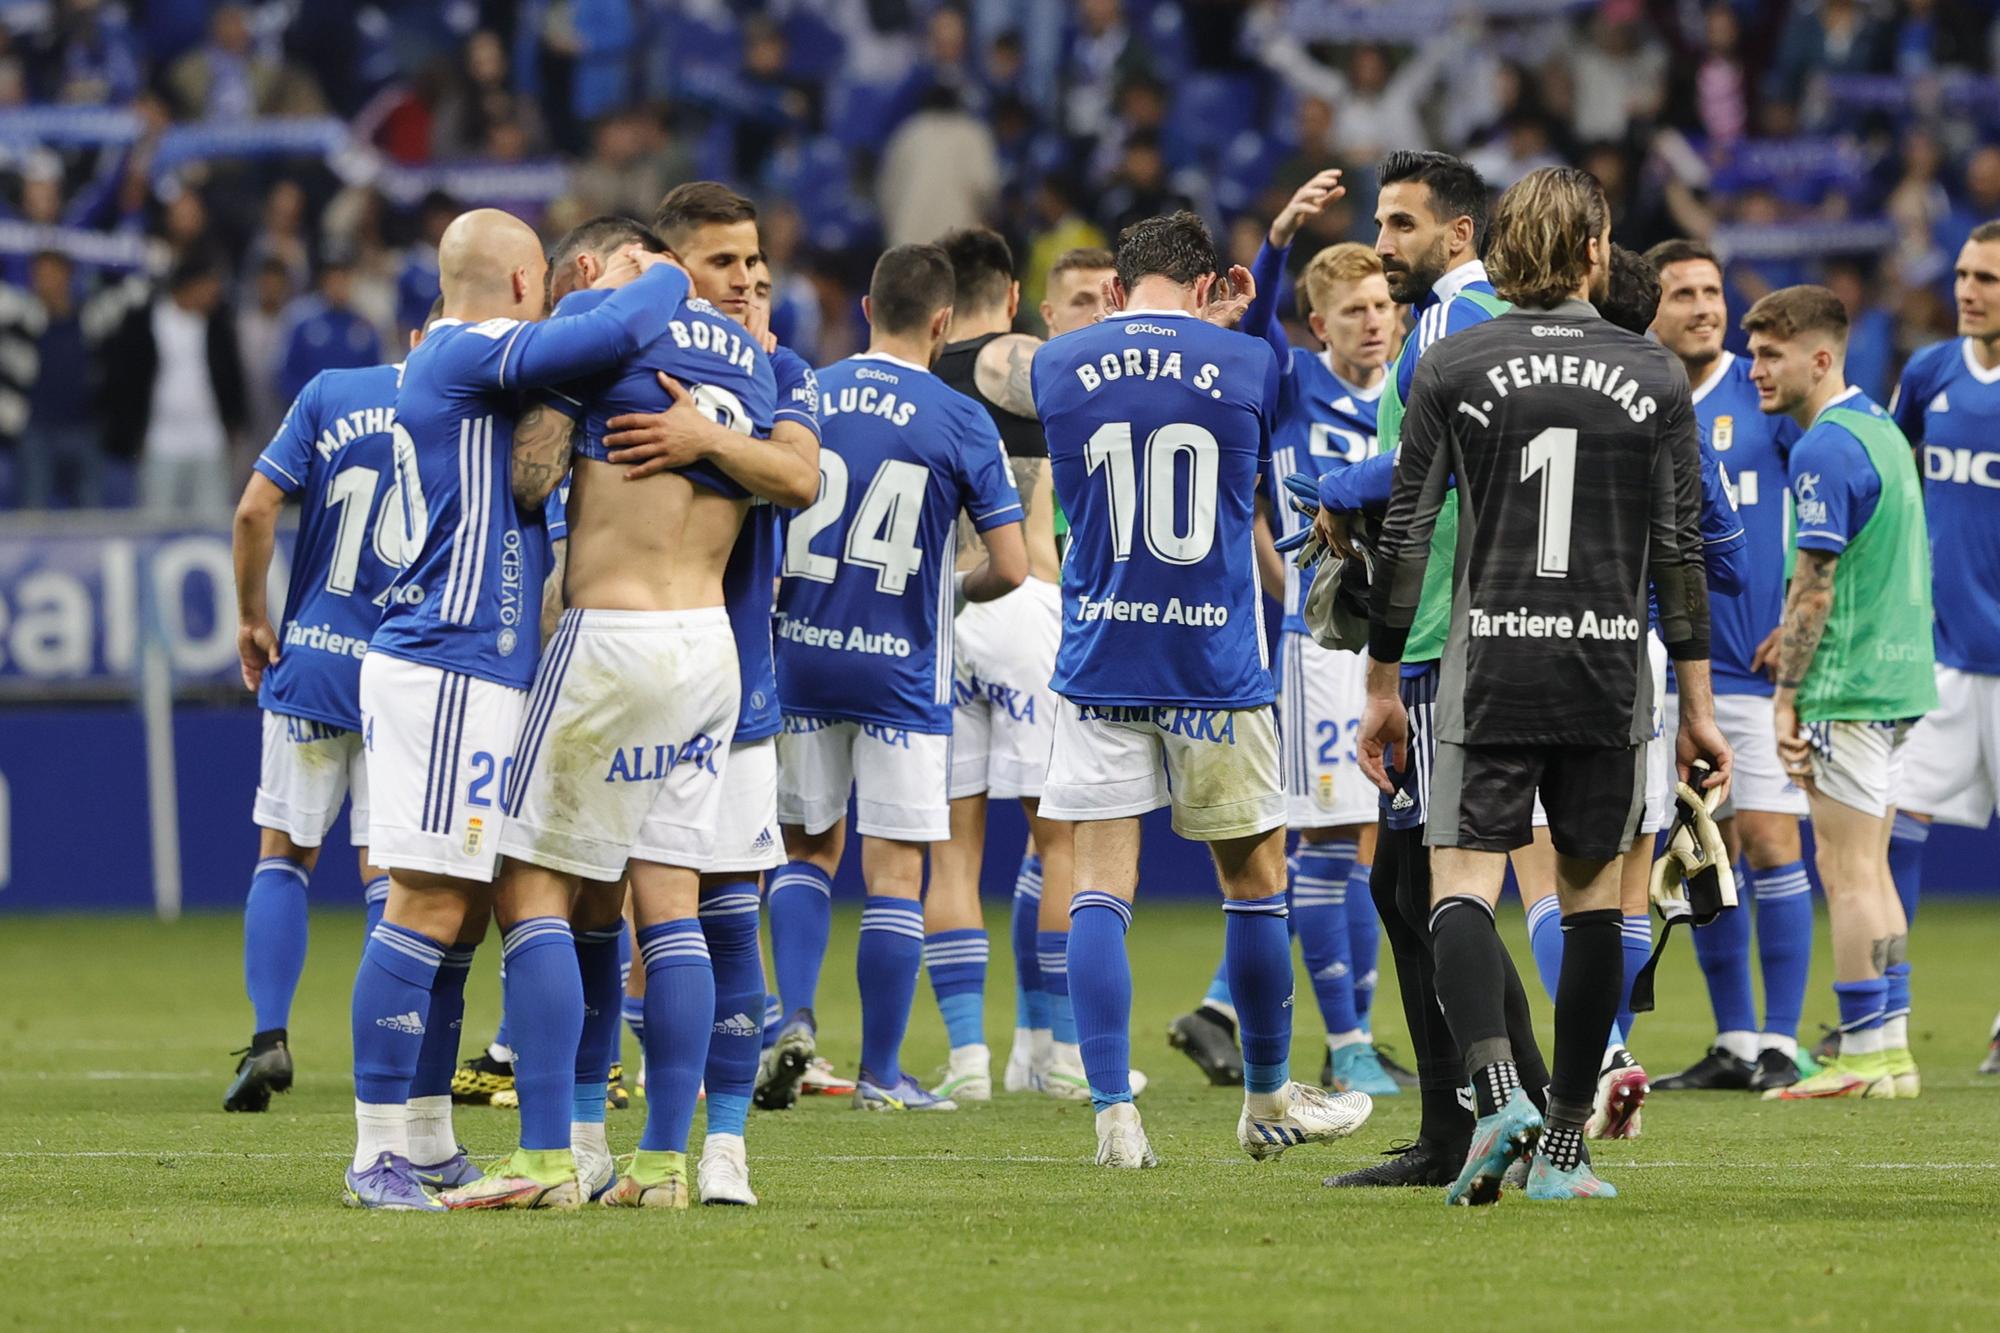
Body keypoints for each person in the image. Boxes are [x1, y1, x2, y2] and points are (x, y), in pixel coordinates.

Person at [1354, 166, 1730, 1202]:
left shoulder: (1451, 362)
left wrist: (1381, 680)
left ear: (1501, 249)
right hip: (1606, 668)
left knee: (1460, 886)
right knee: (1590, 905)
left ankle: (1494, 1092)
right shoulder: (1652, 372)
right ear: (1594, 254)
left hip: (1487, 664)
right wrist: (1695, 704)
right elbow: (1678, 550)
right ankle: (1561, 1153)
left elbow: (1403, 530)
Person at [343, 207, 685, 1211]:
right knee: (426, 903)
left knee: (459, 921)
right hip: (448, 664)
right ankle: (374, 1152)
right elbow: (619, 331)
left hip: (466, 668)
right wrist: (655, 272)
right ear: (528, 283)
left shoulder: (453, 365)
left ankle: (430, 1139)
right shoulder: (470, 347)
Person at [439, 212, 779, 1212]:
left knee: (526, 884)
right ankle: (661, 1164)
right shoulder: (751, 362)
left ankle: (545, 1157)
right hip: (708, 648)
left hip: (612, 636)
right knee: (662, 896)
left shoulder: (600, 321)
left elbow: (529, 473)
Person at [1034, 210, 1373, 1169]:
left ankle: (1113, 1117)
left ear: (1113, 288)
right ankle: (1268, 1100)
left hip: (1100, 654)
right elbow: (1257, 401)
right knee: (1256, 883)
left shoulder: (1061, 364)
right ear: (1203, 285)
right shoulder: (1249, 365)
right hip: (1215, 662)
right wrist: (1230, 323)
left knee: (1100, 885)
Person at [1308, 151, 1546, 1191]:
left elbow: (1418, 472)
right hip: (1452, 620)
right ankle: (1470, 1118)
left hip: (1451, 629)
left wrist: (1331, 483)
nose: (1384, 241)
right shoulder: (1468, 320)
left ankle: (1514, 1110)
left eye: (1399, 225)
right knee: (1403, 881)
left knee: (1433, 882)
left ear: (1457, 235)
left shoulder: (1454, 323)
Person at [585, 185, 825, 1202]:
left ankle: (717, 1144)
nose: (745, 284)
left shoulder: (782, 371)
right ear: (667, 265)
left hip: (733, 689)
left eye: (757, 268)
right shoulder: (615, 353)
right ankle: (588, 1133)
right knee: (597, 914)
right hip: (613, 667)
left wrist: (703, 439)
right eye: (725, 264)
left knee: (726, 915)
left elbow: (799, 478)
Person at [769, 243, 1027, 1113]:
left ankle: (793, 1022)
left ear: (868, 309)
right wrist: (949, 590)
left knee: (805, 848)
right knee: (894, 872)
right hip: (901, 666)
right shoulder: (960, 418)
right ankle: (881, 1072)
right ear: (944, 322)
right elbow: (1014, 567)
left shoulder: (807, 391)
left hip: (799, 651)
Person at [1503, 245, 1749, 1143]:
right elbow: (1724, 556)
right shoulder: (1663, 399)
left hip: (1522, 638)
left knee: (1537, 873)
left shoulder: (1509, 375)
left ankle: (1600, 1059)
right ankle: (1608, 1071)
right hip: (1636, 654)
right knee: (1621, 883)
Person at [1170, 171, 1402, 1097]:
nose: (1373, 322)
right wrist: (1274, 241)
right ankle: (1344, 1041)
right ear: (1317, 327)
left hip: (1399, 634)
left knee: (1378, 839)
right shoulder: (1291, 381)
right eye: (1351, 311)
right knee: (1332, 839)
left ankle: (1351, 1029)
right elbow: (1256, 319)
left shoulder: (1412, 385)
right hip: (1321, 652)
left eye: (1382, 304)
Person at [1747, 285, 1937, 1101]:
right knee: (1877, 872)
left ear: (1820, 358)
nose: (1755, 369)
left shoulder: (1823, 448)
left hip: (1847, 684)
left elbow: (1817, 587)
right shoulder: (1881, 431)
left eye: (1769, 354)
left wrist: (1788, 693)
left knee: (1849, 870)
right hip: (1897, 678)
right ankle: (1890, 1047)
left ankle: (1859, 1049)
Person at [1644, 238, 1813, 1095]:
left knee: (1773, 839)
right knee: (1700, 849)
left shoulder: (1765, 391)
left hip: (1754, 658)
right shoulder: (1642, 393)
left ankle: (1784, 1040)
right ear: (1654, 305)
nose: (1705, 307)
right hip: (1668, 667)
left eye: (1712, 292)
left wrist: (1798, 618)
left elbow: (1825, 506)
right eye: (1684, 294)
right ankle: (1736, 1041)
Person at [224, 347, 408, 1113]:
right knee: (388, 874)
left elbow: (254, 509)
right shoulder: (477, 402)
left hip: (315, 661)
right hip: (408, 672)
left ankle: (270, 1038)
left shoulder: (334, 392)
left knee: (285, 854)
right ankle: (385, 1054)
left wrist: (251, 619)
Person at [926, 227, 1085, 1103]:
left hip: (942, 609)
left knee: (952, 850)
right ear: (1014, 296)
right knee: (1057, 837)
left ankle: (967, 1063)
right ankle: (1060, 1053)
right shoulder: (1016, 361)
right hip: (1022, 599)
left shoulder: (916, 378)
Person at [1887, 222, 2000, 1079]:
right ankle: (1881, 1018)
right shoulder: (1929, 374)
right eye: (1964, 274)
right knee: (1892, 832)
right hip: (1943, 661)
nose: (1969, 290)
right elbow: (1894, 478)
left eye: (1988, 278)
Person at [106, 256, 245, 519]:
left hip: (209, 440)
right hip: (161, 441)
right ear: (190, 285)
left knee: (213, 520)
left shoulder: (217, 325)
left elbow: (232, 378)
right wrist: (133, 431)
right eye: (209, 284)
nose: (215, 292)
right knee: (156, 520)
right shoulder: (146, 321)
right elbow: (126, 380)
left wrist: (234, 422)